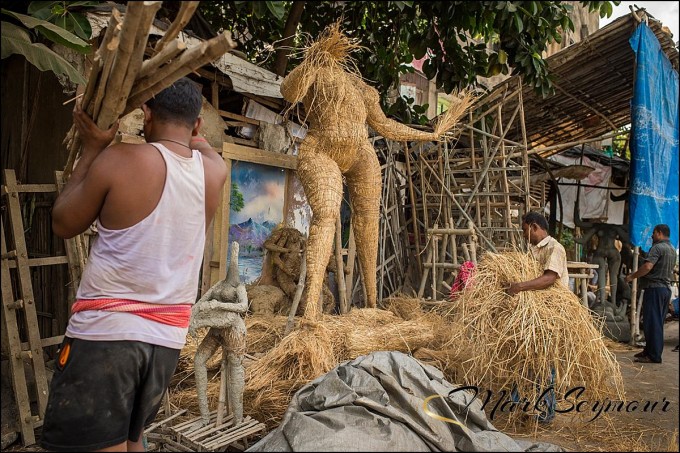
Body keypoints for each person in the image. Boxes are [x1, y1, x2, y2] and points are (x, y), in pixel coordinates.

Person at [41, 78, 227, 452]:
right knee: (131, 441)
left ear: (147, 112)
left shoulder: (118, 160)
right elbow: (199, 145)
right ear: (196, 125)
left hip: (106, 339)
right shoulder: (214, 171)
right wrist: (184, 127)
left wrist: (93, 148)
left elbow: (62, 222)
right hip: (165, 344)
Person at [507, 211, 569, 424]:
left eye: (525, 230)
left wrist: (519, 287)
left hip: (549, 315)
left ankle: (546, 412)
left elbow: (549, 278)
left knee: (544, 363)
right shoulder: (533, 251)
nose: (524, 235)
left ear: (534, 226)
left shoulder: (555, 248)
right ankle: (515, 405)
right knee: (523, 358)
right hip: (533, 315)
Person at [625, 224, 677, 364]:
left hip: (655, 288)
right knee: (657, 322)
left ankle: (654, 355)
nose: (651, 235)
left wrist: (632, 276)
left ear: (659, 233)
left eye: (653, 233)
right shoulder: (672, 249)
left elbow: (648, 266)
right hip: (665, 289)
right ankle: (649, 351)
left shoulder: (657, 247)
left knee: (651, 323)